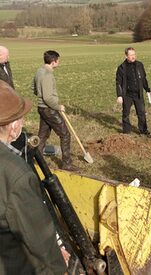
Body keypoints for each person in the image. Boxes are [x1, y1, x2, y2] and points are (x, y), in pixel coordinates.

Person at [0, 80, 68, 275]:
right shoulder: (16, 174)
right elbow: (40, 240)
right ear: (13, 126)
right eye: (21, 118)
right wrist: (59, 267)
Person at [33, 50, 78, 171]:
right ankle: (66, 163)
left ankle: (36, 159)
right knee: (65, 134)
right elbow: (47, 97)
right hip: (49, 109)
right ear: (53, 62)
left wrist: (40, 95)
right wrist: (58, 106)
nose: (59, 62)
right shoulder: (47, 75)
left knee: (42, 135)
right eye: (58, 60)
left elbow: (34, 88)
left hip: (42, 108)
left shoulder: (39, 71)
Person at [116, 47, 151, 136]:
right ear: (126, 56)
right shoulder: (122, 68)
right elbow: (118, 82)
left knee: (141, 113)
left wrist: (147, 89)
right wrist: (119, 95)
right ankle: (126, 131)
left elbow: (143, 78)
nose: (133, 56)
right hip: (127, 95)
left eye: (134, 54)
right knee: (126, 113)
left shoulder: (140, 65)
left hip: (138, 94)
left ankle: (143, 130)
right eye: (131, 55)